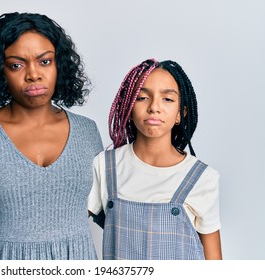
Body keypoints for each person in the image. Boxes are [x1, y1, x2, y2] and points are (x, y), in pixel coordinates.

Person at [0, 12, 103, 260]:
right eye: (17, 65)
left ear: (59, 64)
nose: (33, 74)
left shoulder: (87, 132)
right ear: (0, 71)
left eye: (45, 61)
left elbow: (111, 211)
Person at [88, 58, 222, 260]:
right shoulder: (105, 166)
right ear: (129, 107)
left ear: (180, 114)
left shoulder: (203, 178)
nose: (154, 107)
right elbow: (68, 225)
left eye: (167, 99)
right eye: (142, 98)